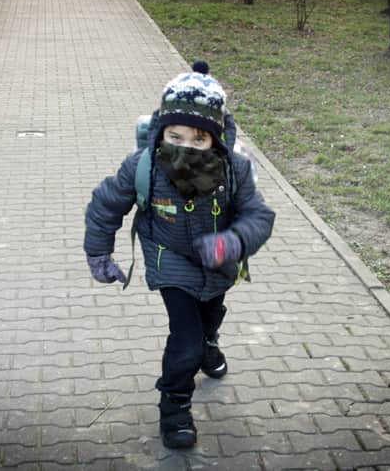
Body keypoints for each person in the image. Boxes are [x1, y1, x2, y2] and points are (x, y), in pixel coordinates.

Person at [83, 61, 275, 449]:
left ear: (215, 138)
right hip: (168, 258)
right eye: (175, 135)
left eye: (198, 139)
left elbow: (259, 215)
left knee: (210, 315)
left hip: (219, 263)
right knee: (185, 341)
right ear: (162, 131)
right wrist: (99, 252)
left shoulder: (235, 169)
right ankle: (175, 407)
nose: (185, 147)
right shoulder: (145, 166)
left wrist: (233, 242)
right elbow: (106, 204)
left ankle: (209, 343)